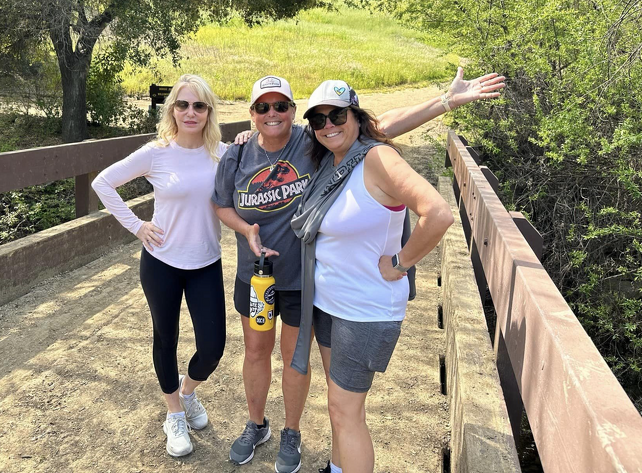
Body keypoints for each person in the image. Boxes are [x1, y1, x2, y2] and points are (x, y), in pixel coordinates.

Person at [212, 69, 505, 472]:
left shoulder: (327, 146)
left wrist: (445, 101)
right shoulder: (267, 152)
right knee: (293, 376)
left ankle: (293, 434)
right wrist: (246, 228)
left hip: (324, 290)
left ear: (294, 111)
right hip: (292, 287)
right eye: (263, 107)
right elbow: (221, 203)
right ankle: (270, 431)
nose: (272, 113)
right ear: (252, 113)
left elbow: (388, 130)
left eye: (281, 106)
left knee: (318, 381)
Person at [290, 80, 456, 473]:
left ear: (357, 118)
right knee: (339, 403)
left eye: (337, 115)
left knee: (345, 411)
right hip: (329, 303)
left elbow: (438, 214)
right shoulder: (331, 161)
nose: (327, 125)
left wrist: (401, 262)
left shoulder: (377, 159)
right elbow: (390, 120)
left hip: (364, 310)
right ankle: (336, 467)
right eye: (317, 119)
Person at [92, 74, 228, 458]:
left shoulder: (222, 152)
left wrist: (249, 140)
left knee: (213, 347)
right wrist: (137, 226)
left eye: (199, 106)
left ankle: (187, 393)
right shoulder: (156, 152)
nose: (190, 112)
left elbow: (254, 170)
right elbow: (103, 183)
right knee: (165, 339)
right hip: (162, 262)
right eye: (182, 105)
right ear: (172, 109)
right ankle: (174, 414)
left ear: (208, 112)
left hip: (206, 262)